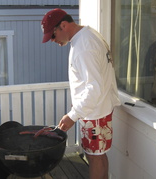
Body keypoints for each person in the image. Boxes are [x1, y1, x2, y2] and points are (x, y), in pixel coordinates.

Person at [41, 8, 121, 179]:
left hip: (95, 112)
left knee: (94, 157)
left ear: (63, 25)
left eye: (53, 36)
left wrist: (73, 115)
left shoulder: (84, 46)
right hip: (98, 108)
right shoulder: (88, 35)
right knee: (99, 154)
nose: (52, 41)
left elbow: (94, 88)